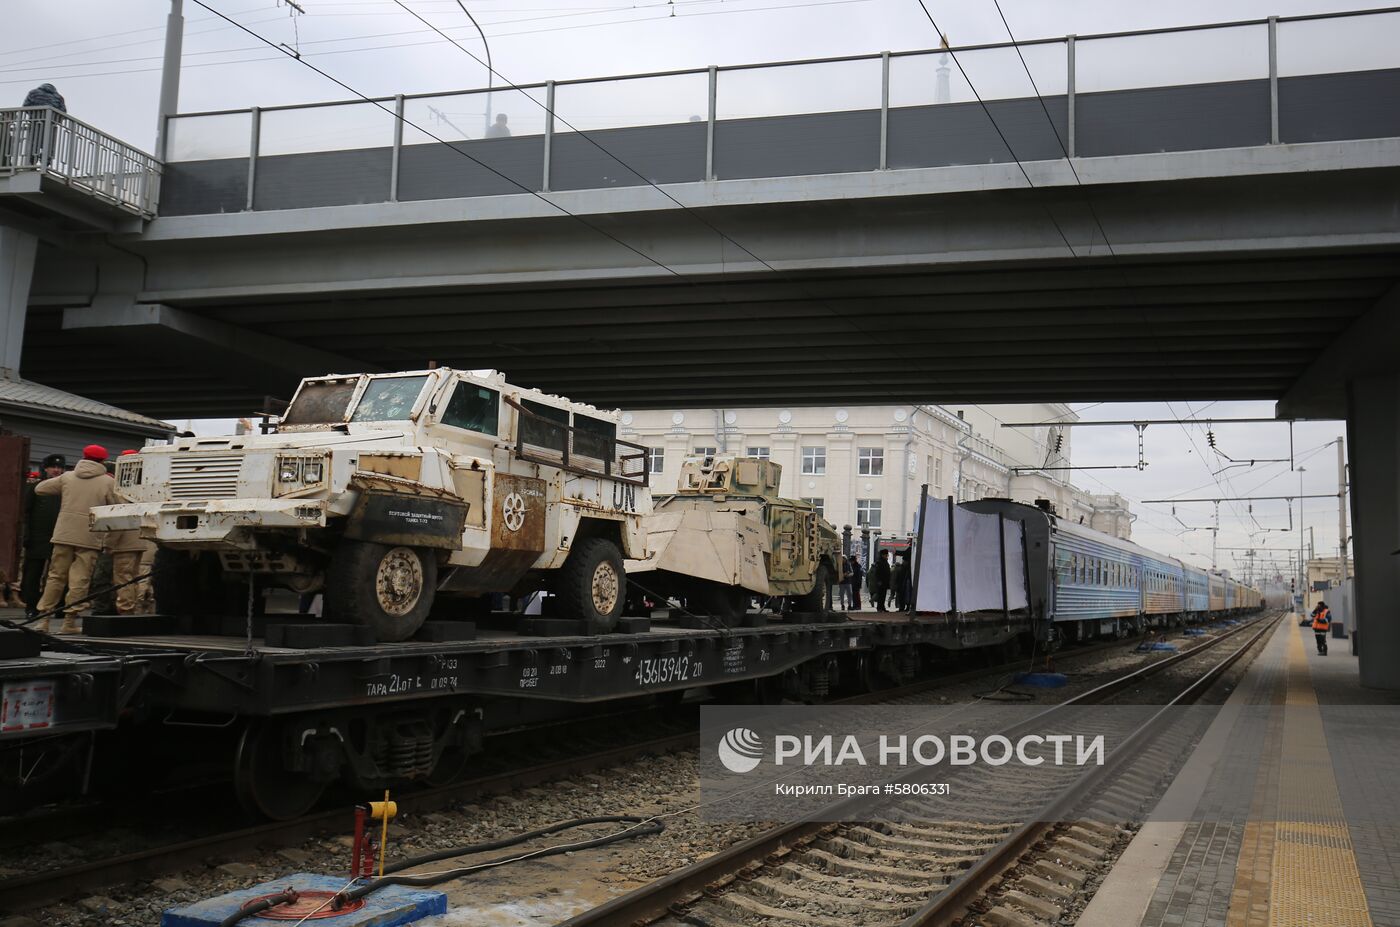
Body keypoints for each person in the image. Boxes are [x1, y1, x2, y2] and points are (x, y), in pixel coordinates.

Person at [34, 445, 116, 634]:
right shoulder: (107, 482)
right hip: (89, 535)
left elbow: (40, 489)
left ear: (84, 456)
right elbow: (119, 504)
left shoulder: (67, 477)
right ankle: (69, 623)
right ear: (103, 461)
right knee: (80, 579)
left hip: (64, 533)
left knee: (55, 577)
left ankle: (43, 620)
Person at [107, 450, 153, 615]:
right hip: (143, 540)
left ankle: (126, 610)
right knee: (136, 577)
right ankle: (136, 608)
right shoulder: (149, 485)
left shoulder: (121, 488)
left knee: (123, 577)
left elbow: (118, 516)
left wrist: (109, 543)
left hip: (125, 540)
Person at [21, 454, 64, 619]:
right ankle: (32, 607)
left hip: (58, 537)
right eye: (53, 467)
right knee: (33, 574)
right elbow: (26, 513)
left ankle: (57, 607)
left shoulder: (64, 488)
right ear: (45, 468)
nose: (57, 470)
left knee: (58, 574)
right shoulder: (35, 487)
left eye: (60, 467)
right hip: (37, 538)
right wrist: (27, 535)